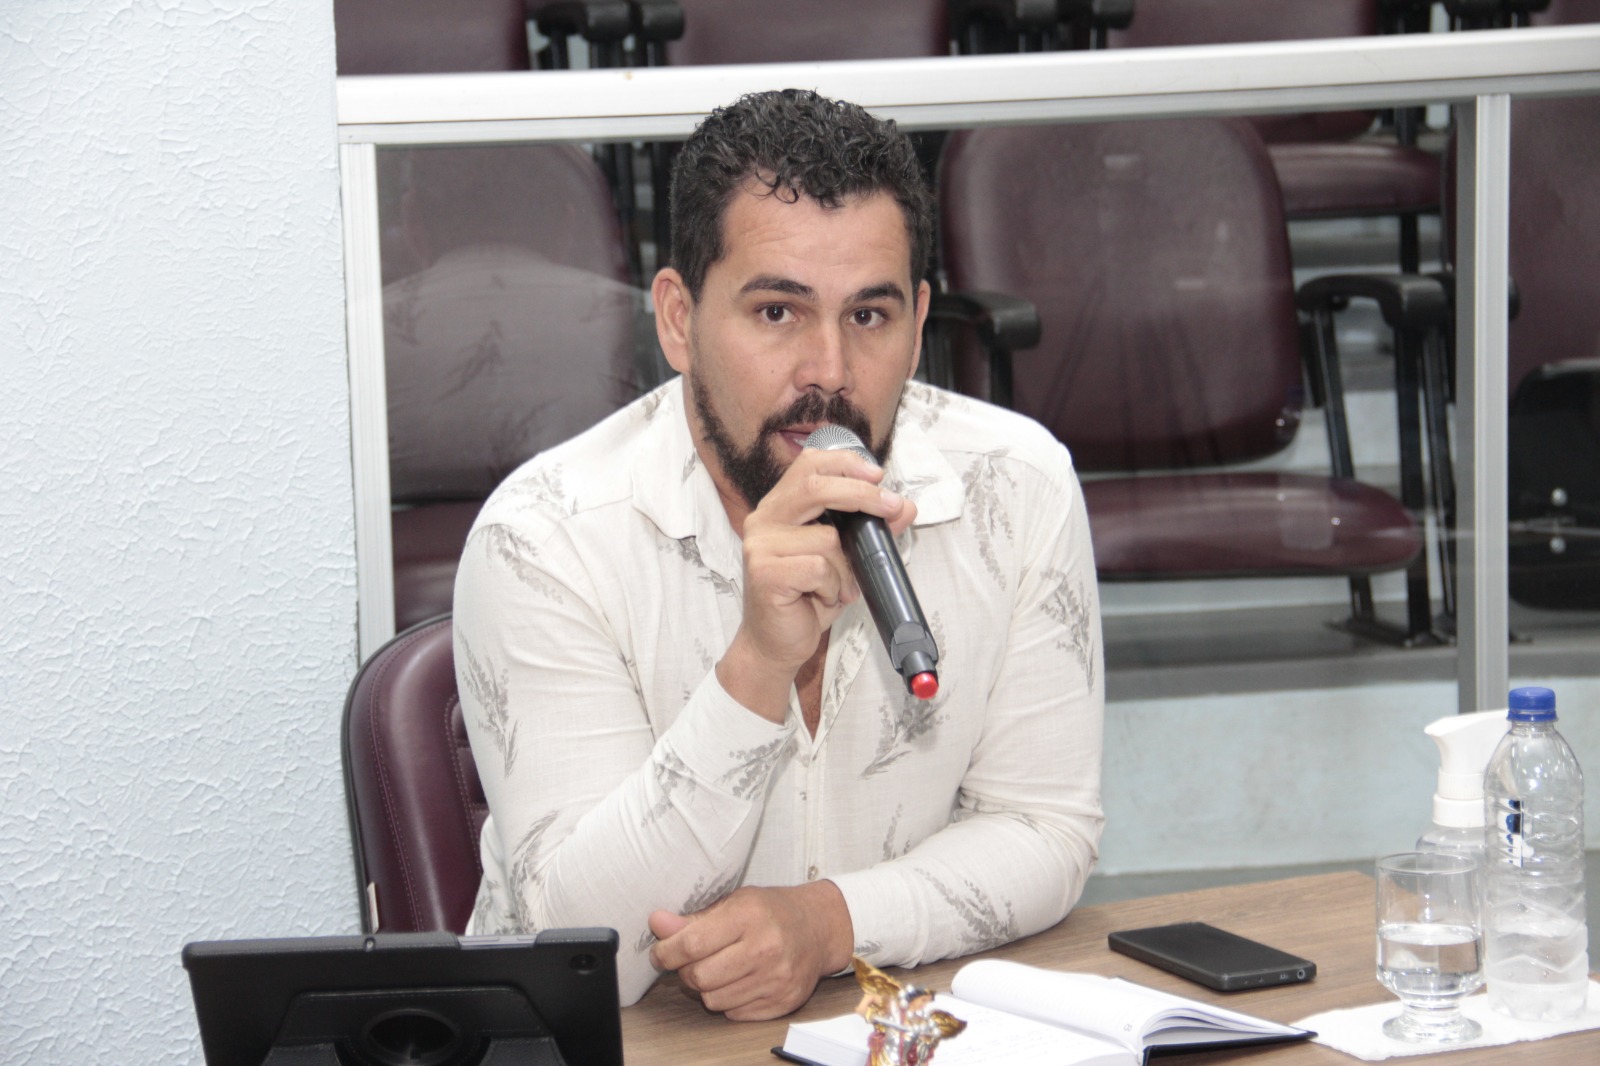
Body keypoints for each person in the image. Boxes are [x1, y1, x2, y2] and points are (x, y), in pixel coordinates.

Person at [454, 88, 1105, 1019]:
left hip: (876, 1029)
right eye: (776, 313)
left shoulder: (1019, 486)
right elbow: (583, 953)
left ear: (920, 323)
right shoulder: (544, 537)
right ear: (677, 319)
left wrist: (831, 922)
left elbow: (1044, 830)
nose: (828, 372)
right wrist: (756, 668)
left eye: (869, 317)